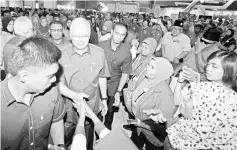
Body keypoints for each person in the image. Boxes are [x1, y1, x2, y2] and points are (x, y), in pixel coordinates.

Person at [146, 50, 237, 150]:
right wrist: (180, 82)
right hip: (175, 139)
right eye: (208, 63)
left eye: (214, 66)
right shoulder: (203, 86)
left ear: (229, 70)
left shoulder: (220, 98)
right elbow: (180, 107)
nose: (208, 68)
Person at [1, 36, 66, 150]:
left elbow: (57, 120)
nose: (55, 80)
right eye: (49, 76)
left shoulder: (51, 91)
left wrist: (60, 145)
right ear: (25, 76)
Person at [59, 17, 110, 150]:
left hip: (91, 107)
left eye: (84, 35)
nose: (80, 39)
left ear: (90, 35)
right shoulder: (61, 55)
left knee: (86, 143)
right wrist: (74, 95)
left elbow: (102, 77)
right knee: (62, 141)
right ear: (70, 35)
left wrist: (104, 100)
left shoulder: (99, 53)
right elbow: (58, 84)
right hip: (67, 109)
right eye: (76, 36)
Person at [123, 57, 175, 150]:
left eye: (152, 67)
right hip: (139, 129)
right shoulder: (147, 81)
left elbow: (164, 128)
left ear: (161, 72)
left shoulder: (165, 96)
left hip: (153, 138)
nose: (147, 68)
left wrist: (138, 123)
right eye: (148, 65)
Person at [98, 22, 132, 130]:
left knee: (109, 113)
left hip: (114, 84)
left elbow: (125, 73)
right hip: (98, 83)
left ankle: (107, 135)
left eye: (122, 35)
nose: (119, 37)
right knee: (98, 111)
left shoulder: (126, 52)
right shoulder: (100, 47)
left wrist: (119, 91)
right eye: (117, 33)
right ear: (112, 32)